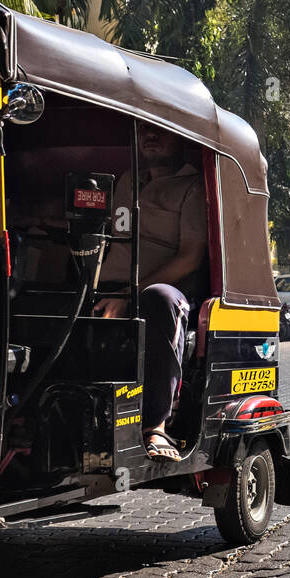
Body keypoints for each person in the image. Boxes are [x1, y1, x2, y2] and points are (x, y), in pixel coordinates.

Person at [94, 124, 208, 462]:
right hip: (109, 286)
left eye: (162, 130)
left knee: (159, 299)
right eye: (144, 130)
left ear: (181, 136)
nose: (151, 136)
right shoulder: (127, 179)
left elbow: (190, 256)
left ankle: (156, 426)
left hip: (160, 293)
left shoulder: (193, 186)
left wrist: (131, 294)